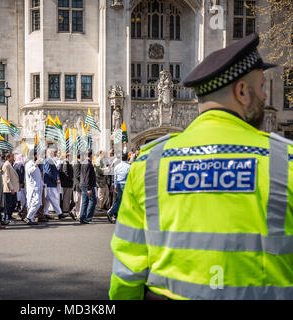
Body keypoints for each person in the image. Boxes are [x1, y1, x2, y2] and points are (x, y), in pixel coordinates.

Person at [109, 33, 293, 300]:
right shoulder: (284, 161)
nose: (265, 96)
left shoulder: (150, 164)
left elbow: (127, 269)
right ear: (242, 92)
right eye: (262, 86)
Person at [107, 152, 130, 224]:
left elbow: (115, 177)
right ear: (127, 158)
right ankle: (112, 212)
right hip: (125, 184)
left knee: (120, 199)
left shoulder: (117, 166)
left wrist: (115, 186)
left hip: (119, 184)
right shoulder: (129, 166)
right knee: (124, 200)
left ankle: (116, 213)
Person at [43, 149, 66, 220]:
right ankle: (59, 213)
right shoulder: (48, 160)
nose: (56, 154)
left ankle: (45, 213)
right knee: (54, 199)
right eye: (55, 153)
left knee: (48, 200)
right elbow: (48, 172)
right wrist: (56, 179)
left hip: (50, 183)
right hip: (50, 183)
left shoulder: (49, 160)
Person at [24, 150, 42, 225]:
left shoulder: (33, 163)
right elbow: (29, 172)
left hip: (36, 186)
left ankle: (30, 219)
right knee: (37, 202)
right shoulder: (29, 164)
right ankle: (28, 217)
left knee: (32, 204)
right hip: (33, 187)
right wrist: (35, 165)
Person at [79, 149, 97, 224]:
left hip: (84, 185)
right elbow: (87, 176)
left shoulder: (84, 162)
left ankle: (82, 217)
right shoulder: (88, 164)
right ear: (91, 155)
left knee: (85, 201)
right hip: (87, 185)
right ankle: (88, 218)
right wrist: (89, 188)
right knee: (93, 201)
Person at [2, 152, 20, 224]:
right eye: (12, 157)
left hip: (13, 188)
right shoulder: (6, 165)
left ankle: (9, 216)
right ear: (8, 158)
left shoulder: (10, 165)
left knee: (13, 203)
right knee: (8, 204)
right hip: (8, 189)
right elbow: (7, 178)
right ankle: (7, 217)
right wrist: (11, 188)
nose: (14, 158)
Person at [59, 153, 75, 218]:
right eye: (71, 156)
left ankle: (67, 209)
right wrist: (71, 178)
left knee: (68, 197)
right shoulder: (65, 163)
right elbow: (66, 173)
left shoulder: (68, 163)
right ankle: (65, 210)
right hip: (66, 183)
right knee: (66, 197)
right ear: (67, 157)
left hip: (68, 183)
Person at [13, 153, 27, 220]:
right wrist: (21, 183)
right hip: (20, 185)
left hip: (16, 184)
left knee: (18, 200)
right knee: (23, 200)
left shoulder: (15, 164)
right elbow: (21, 175)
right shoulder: (20, 165)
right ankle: (22, 213)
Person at [71, 153, 82, 220]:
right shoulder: (77, 164)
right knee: (78, 201)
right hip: (78, 185)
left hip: (76, 184)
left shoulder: (76, 163)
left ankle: (73, 211)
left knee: (78, 201)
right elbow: (78, 175)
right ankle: (77, 214)